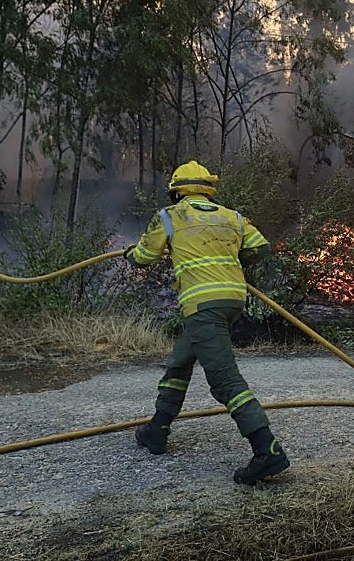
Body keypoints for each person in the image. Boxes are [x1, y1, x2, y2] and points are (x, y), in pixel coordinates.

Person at [124, 160, 289, 485]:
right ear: (209, 191)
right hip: (231, 301)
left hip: (202, 306)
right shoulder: (232, 217)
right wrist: (231, 260)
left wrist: (129, 254)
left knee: (225, 382)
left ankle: (266, 450)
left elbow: (143, 256)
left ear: (176, 192)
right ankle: (157, 430)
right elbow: (260, 248)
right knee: (181, 362)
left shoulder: (170, 217)